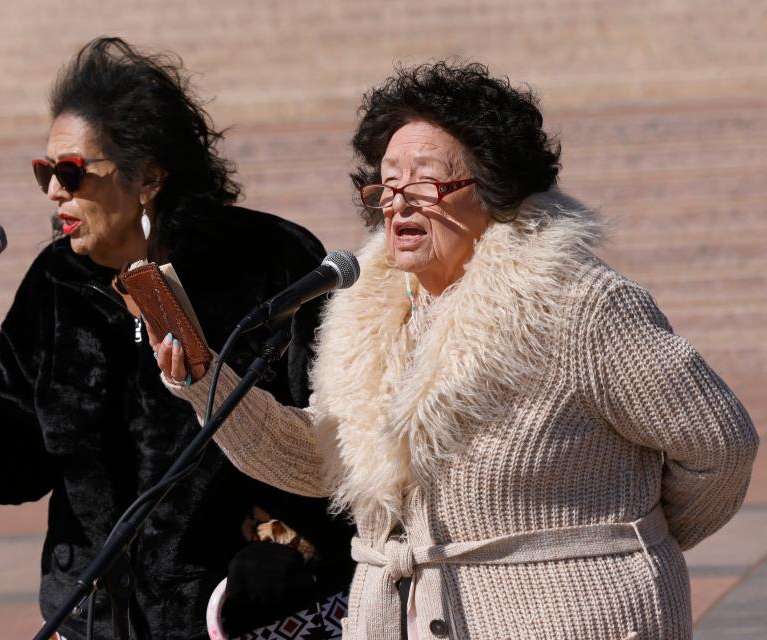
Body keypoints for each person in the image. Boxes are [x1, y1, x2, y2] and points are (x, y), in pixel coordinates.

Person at [153, 60, 759, 640]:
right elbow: (320, 462)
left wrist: (624, 545)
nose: (397, 201)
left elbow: (719, 445)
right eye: (386, 184)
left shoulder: (579, 304)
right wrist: (208, 381)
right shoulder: (369, 313)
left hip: (575, 618)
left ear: (496, 189)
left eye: (425, 181)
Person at [0, 38, 353, 640]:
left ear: (149, 177)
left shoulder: (271, 263)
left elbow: (337, 432)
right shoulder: (55, 282)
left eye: (71, 172)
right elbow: (14, 457)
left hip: (239, 617)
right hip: (91, 618)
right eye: (45, 172)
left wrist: (292, 546)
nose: (53, 192)